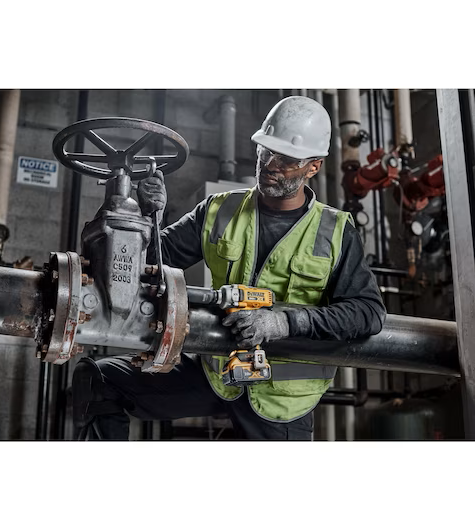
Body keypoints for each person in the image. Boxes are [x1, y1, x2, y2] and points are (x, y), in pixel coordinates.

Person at [72, 96, 386, 441]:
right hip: (218, 371)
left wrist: (284, 322)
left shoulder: (335, 231)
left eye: (286, 159)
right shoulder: (220, 210)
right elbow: (144, 265)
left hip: (282, 396)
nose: (270, 165)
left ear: (314, 166)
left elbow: (368, 312)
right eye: (265, 151)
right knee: (100, 380)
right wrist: (143, 217)